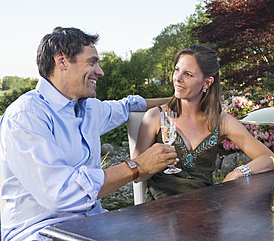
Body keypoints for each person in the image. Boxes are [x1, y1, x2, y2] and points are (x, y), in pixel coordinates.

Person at [0, 27, 178, 241]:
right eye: (92, 62)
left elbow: (129, 106)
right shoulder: (26, 116)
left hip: (93, 224)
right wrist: (136, 166)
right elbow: (61, 193)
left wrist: (180, 102)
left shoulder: (91, 108)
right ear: (62, 61)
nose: (100, 71)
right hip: (39, 232)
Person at [133, 45, 274, 202]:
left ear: (207, 83)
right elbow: (136, 175)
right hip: (159, 212)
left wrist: (239, 172)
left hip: (204, 211)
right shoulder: (155, 117)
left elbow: (268, 158)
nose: (177, 78)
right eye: (176, 70)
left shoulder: (220, 120)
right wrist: (153, 163)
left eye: (188, 74)